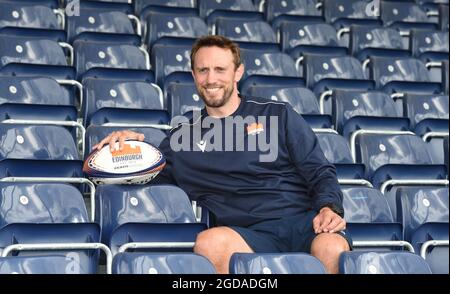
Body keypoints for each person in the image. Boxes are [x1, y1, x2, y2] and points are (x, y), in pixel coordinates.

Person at [94, 35, 351, 274]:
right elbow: (145, 175)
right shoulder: (183, 139)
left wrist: (329, 207)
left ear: (238, 72)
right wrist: (128, 147)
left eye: (220, 70)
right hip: (247, 234)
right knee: (211, 242)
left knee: (331, 248)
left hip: (305, 224)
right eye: (203, 70)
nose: (211, 79)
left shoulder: (277, 114)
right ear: (194, 75)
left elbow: (319, 170)